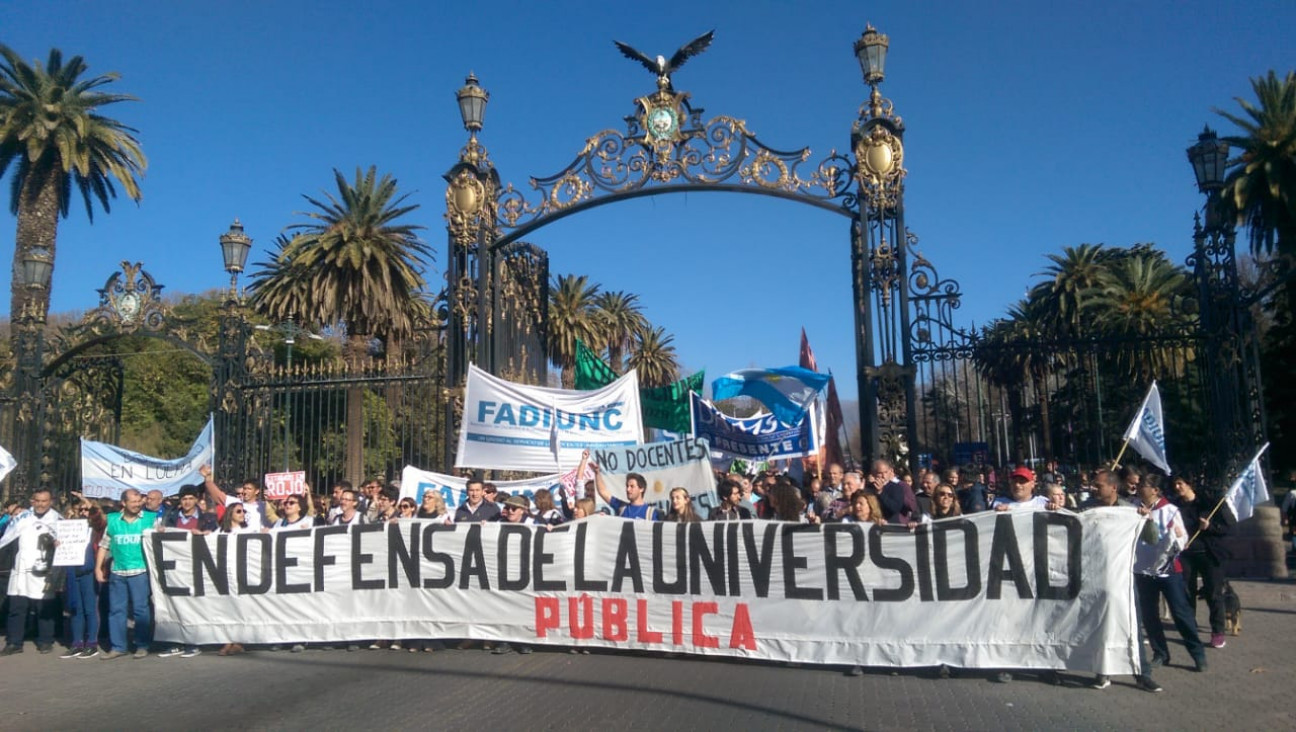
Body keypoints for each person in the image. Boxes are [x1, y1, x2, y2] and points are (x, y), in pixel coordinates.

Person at [1080, 472, 1161, 692]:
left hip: (1121, 578)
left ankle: (1142, 673)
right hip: (1093, 577)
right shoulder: (1086, 509)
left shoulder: (1129, 510)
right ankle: (1102, 671)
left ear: (1113, 487)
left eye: (1098, 485)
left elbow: (1152, 539)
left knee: (1131, 625)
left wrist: (1148, 521)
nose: (1094, 489)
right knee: (1099, 625)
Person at [1134, 474, 1207, 673]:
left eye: (1144, 485)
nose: (1140, 488)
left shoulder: (1170, 510)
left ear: (1155, 490)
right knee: (1150, 615)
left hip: (1168, 571)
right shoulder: (1133, 508)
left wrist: (1176, 537)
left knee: (1180, 613)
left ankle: (1197, 652)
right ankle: (1160, 653)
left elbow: (1182, 540)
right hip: (1142, 570)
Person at [1172, 475, 1234, 650]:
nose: (1177, 487)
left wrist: (1210, 527)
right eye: (1175, 484)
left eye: (1180, 483)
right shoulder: (1175, 507)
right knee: (1186, 592)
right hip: (1186, 554)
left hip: (1209, 554)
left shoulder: (1209, 503)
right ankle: (1190, 630)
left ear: (1189, 484)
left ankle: (1217, 632)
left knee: (1213, 593)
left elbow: (1229, 526)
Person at [156, 485, 219, 659]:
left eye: (191, 498)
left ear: (197, 500)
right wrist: (161, 532)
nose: (187, 502)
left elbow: (217, 537)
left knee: (194, 605)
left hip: (196, 566)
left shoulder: (207, 518)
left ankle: (194, 642)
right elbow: (162, 534)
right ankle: (175, 642)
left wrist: (207, 534)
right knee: (174, 604)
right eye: (184, 499)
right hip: (175, 567)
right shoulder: (171, 516)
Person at [95, 488, 157, 660]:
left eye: (139, 501)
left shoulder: (150, 520)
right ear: (124, 503)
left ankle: (142, 645)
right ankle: (118, 646)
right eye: (133, 502)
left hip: (140, 571)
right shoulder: (113, 521)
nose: (137, 505)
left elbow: (160, 541)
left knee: (140, 610)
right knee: (116, 610)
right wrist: (98, 568)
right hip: (118, 571)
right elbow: (104, 545)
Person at [1, 489, 64, 655]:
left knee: (44, 606)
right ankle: (14, 642)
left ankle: (45, 641)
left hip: (43, 568)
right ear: (32, 501)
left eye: (45, 501)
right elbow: (7, 537)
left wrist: (60, 543)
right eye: (38, 500)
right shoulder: (22, 517)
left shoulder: (57, 519)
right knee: (17, 606)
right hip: (21, 568)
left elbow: (67, 542)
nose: (41, 504)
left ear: (51, 501)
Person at [61, 500, 106, 659]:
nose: (83, 512)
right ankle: (77, 643)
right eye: (80, 510)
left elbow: (100, 520)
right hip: (73, 571)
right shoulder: (71, 527)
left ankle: (92, 643)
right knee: (75, 609)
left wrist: (91, 505)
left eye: (86, 510)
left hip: (89, 573)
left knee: (90, 609)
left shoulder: (96, 528)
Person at [200, 465, 272, 530]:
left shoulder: (264, 506)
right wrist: (208, 479)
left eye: (249, 489)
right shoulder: (237, 503)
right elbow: (218, 496)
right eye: (244, 488)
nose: (245, 491)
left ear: (257, 491)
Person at [592, 462, 658, 520]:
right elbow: (603, 491)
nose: (628, 489)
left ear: (641, 489)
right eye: (627, 486)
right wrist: (597, 473)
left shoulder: (650, 513)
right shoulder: (622, 507)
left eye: (632, 486)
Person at [869, 460, 918, 524]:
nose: (883, 476)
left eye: (886, 472)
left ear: (890, 471)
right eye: (880, 473)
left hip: (892, 525)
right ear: (873, 474)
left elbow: (895, 508)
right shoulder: (868, 488)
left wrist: (881, 492)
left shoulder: (896, 487)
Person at [991, 467, 1060, 512]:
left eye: (1022, 481)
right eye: (1014, 481)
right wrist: (996, 513)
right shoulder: (998, 502)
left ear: (1032, 484)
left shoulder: (1043, 502)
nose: (1017, 485)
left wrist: (1053, 508)